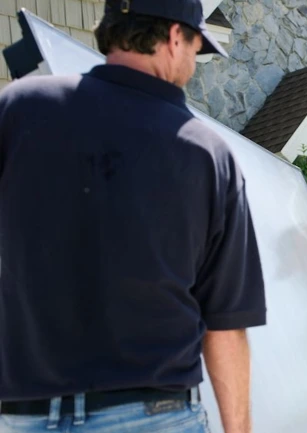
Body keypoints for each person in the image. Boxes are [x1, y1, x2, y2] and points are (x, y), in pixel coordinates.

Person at [0, 1, 265, 432]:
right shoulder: (204, 151)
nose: (194, 66)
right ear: (176, 37)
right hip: (153, 416)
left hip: (23, 414)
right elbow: (225, 325)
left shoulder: (17, 109)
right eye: (197, 48)